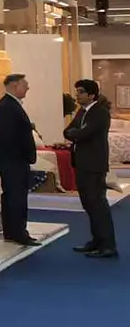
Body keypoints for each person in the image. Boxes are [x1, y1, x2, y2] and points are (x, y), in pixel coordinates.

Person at [64, 79, 118, 258]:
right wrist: (76, 134)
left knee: (97, 205)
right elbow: (68, 131)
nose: (77, 95)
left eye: (80, 92)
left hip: (94, 164)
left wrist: (76, 134)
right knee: (88, 204)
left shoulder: (100, 112)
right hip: (82, 163)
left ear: (91, 95)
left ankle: (107, 245)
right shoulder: (82, 111)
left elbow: (82, 133)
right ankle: (97, 241)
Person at [0, 74, 40, 247]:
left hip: (12, 159)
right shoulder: (7, 106)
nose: (28, 88)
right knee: (16, 196)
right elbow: (9, 136)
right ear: (14, 86)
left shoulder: (11, 105)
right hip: (13, 159)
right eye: (25, 85)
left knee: (12, 195)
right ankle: (19, 233)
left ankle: (12, 231)